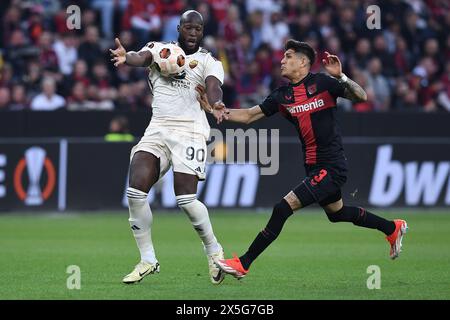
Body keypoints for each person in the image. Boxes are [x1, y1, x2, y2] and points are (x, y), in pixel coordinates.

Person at [196, 40, 408, 280]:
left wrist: (343, 77)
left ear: (303, 61)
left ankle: (243, 263)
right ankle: (392, 228)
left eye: (288, 56)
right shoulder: (282, 95)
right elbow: (247, 116)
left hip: (332, 166)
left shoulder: (324, 83)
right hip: (313, 167)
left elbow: (361, 96)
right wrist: (214, 110)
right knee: (336, 214)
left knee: (282, 208)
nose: (282, 61)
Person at [110, 10, 228, 284]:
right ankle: (148, 259)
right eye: (188, 27)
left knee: (185, 200)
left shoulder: (209, 61)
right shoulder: (161, 50)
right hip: (158, 128)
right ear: (179, 28)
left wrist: (218, 103)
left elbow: (213, 87)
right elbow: (143, 57)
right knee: (135, 191)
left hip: (191, 131)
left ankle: (213, 249)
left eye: (197, 29)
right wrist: (127, 58)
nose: (193, 33)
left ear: (202, 31)